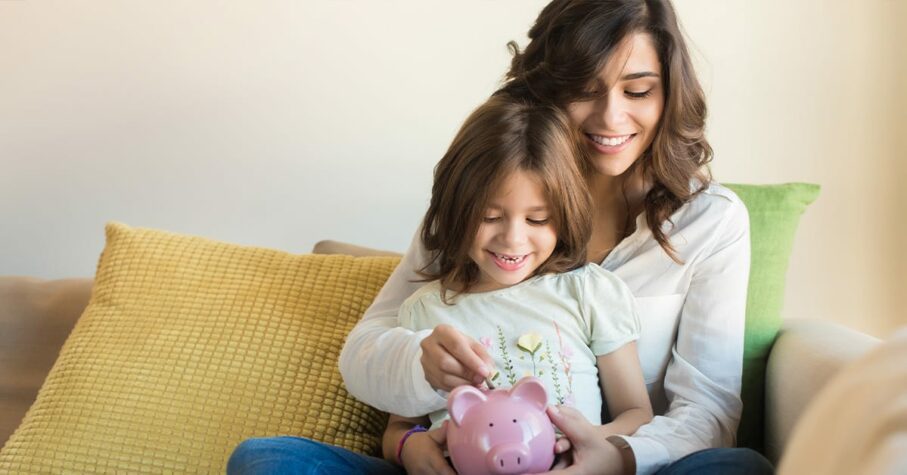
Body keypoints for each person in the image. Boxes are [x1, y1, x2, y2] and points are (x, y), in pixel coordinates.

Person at [231, 0, 774, 473]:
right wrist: (417, 407)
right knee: (270, 461)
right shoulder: (474, 214)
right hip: (466, 460)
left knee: (736, 467)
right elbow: (367, 354)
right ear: (546, 89)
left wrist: (620, 458)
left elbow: (706, 411)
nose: (612, 115)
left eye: (638, 90)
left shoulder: (711, 223)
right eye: (585, 90)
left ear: (669, 95)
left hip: (627, 465)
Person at [387, 95, 653, 474]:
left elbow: (636, 412)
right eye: (490, 216)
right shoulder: (425, 309)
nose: (513, 239)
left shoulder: (589, 292)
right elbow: (399, 427)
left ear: (565, 217)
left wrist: (597, 448)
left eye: (538, 220)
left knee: (735, 464)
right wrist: (409, 448)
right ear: (456, 210)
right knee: (283, 456)